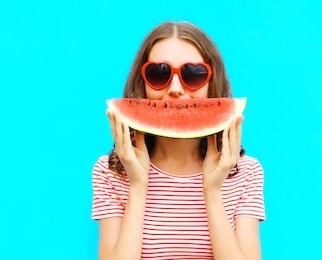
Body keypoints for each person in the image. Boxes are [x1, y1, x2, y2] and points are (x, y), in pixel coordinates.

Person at [92, 21, 265, 260]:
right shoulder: (110, 171)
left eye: (193, 75)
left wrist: (213, 191)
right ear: (142, 83)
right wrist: (138, 185)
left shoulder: (246, 172)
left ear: (211, 84)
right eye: (158, 73)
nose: (175, 89)